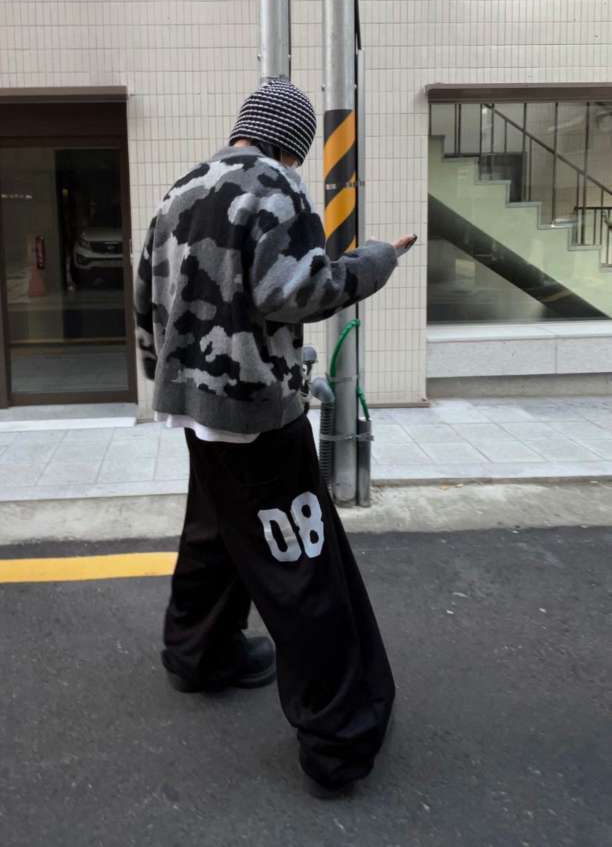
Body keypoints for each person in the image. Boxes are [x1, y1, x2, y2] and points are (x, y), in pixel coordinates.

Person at [135, 78, 414, 797]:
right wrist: (375, 262)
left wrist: (168, 382)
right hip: (255, 415)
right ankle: (338, 738)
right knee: (302, 562)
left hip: (192, 407)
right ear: (293, 142)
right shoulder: (276, 188)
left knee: (214, 531)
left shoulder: (179, 190)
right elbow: (300, 291)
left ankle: (197, 653)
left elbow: (146, 300)